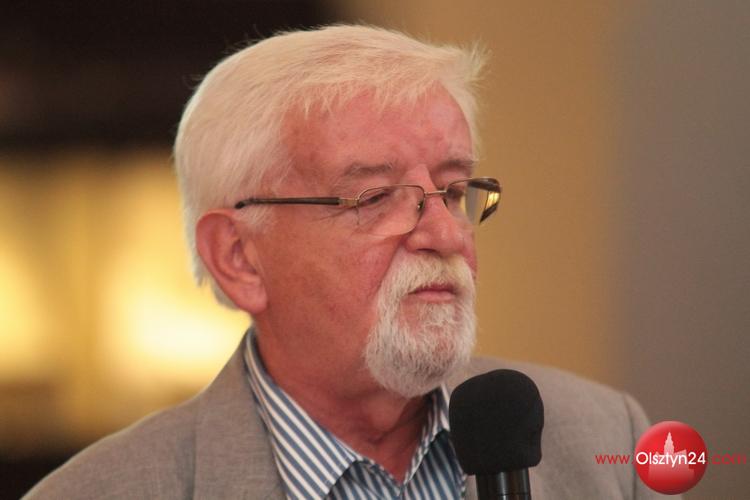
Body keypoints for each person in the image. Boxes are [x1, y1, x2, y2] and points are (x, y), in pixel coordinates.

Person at [26, 25, 661, 499]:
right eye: (376, 197)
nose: (446, 233)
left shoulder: (609, 439)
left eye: (453, 190)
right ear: (239, 257)